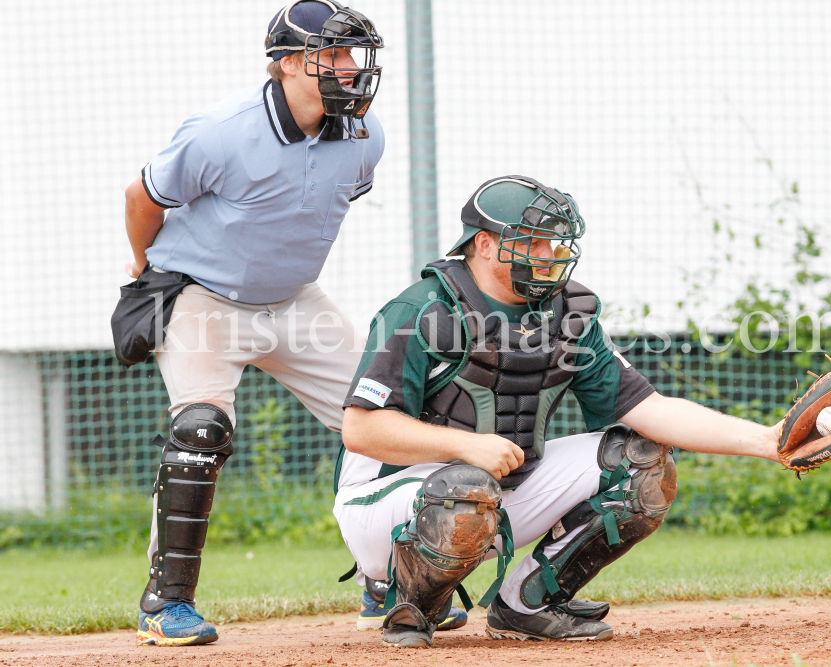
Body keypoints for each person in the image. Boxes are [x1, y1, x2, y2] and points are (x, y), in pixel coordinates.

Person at [334, 175, 784, 648]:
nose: (549, 254)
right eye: (534, 241)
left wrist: (767, 441)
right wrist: (465, 445)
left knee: (641, 464)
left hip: (490, 494)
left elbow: (649, 409)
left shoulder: (568, 315)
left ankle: (528, 603)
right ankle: (405, 595)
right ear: (485, 245)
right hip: (385, 506)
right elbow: (361, 429)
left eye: (554, 242)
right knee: (465, 485)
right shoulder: (420, 310)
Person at [123, 0, 386, 647]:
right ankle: (166, 603)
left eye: (356, 55)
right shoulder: (222, 130)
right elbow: (143, 196)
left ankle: (389, 577)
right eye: (335, 54)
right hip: (206, 299)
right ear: (289, 65)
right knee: (200, 427)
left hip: (296, 301)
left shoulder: (365, 133)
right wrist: (141, 265)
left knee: (385, 414)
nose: (352, 69)